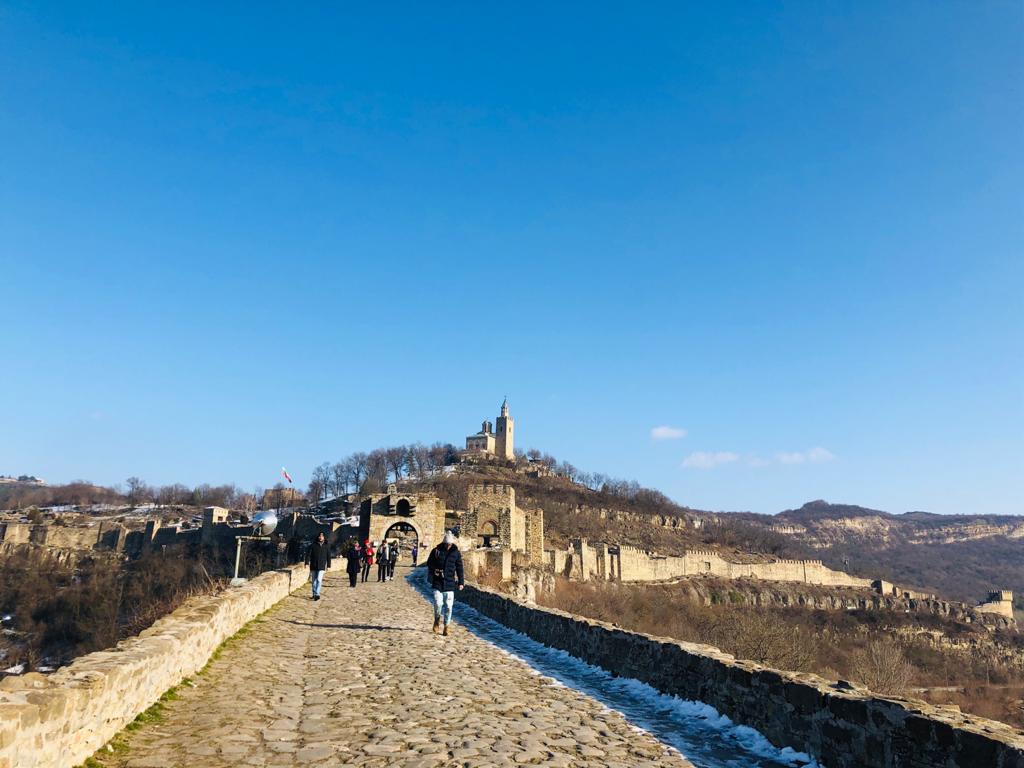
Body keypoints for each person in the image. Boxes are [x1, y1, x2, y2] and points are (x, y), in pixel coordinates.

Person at [425, 531, 464, 636]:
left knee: (449, 606)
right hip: (438, 582)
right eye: (447, 544)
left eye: (450, 544)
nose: (448, 546)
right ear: (444, 543)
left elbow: (459, 568)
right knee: (438, 604)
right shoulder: (436, 551)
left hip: (450, 583)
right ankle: (437, 620)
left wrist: (461, 582)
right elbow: (429, 563)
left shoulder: (456, 553)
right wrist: (435, 571)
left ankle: (446, 626)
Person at [305, 531, 331, 601]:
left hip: (321, 565)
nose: (320, 537)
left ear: (324, 537)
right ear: (318, 537)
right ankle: (314, 594)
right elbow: (308, 554)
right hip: (313, 565)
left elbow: (328, 556)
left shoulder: (326, 546)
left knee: (319, 580)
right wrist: (306, 562)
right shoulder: (313, 545)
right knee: (314, 581)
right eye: (319, 536)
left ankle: (317, 594)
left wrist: (328, 565)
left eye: (322, 536)